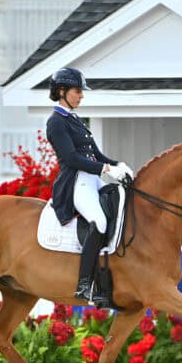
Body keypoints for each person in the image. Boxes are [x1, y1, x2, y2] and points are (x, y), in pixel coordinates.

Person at [45, 67, 134, 302]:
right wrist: (106, 169)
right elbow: (72, 158)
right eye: (77, 91)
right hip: (76, 182)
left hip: (92, 178)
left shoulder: (75, 120)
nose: (81, 95)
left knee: (119, 209)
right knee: (99, 221)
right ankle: (85, 284)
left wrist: (118, 164)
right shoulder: (56, 122)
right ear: (62, 91)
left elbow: (95, 154)